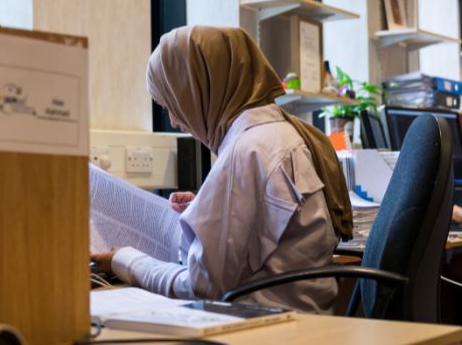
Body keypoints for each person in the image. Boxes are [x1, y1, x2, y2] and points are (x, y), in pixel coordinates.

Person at [91, 26, 353, 313]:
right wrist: (205, 208)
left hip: (267, 329)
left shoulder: (250, 149)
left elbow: (200, 286)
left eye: (174, 104)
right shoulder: (283, 134)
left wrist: (125, 260)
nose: (175, 120)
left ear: (202, 90)